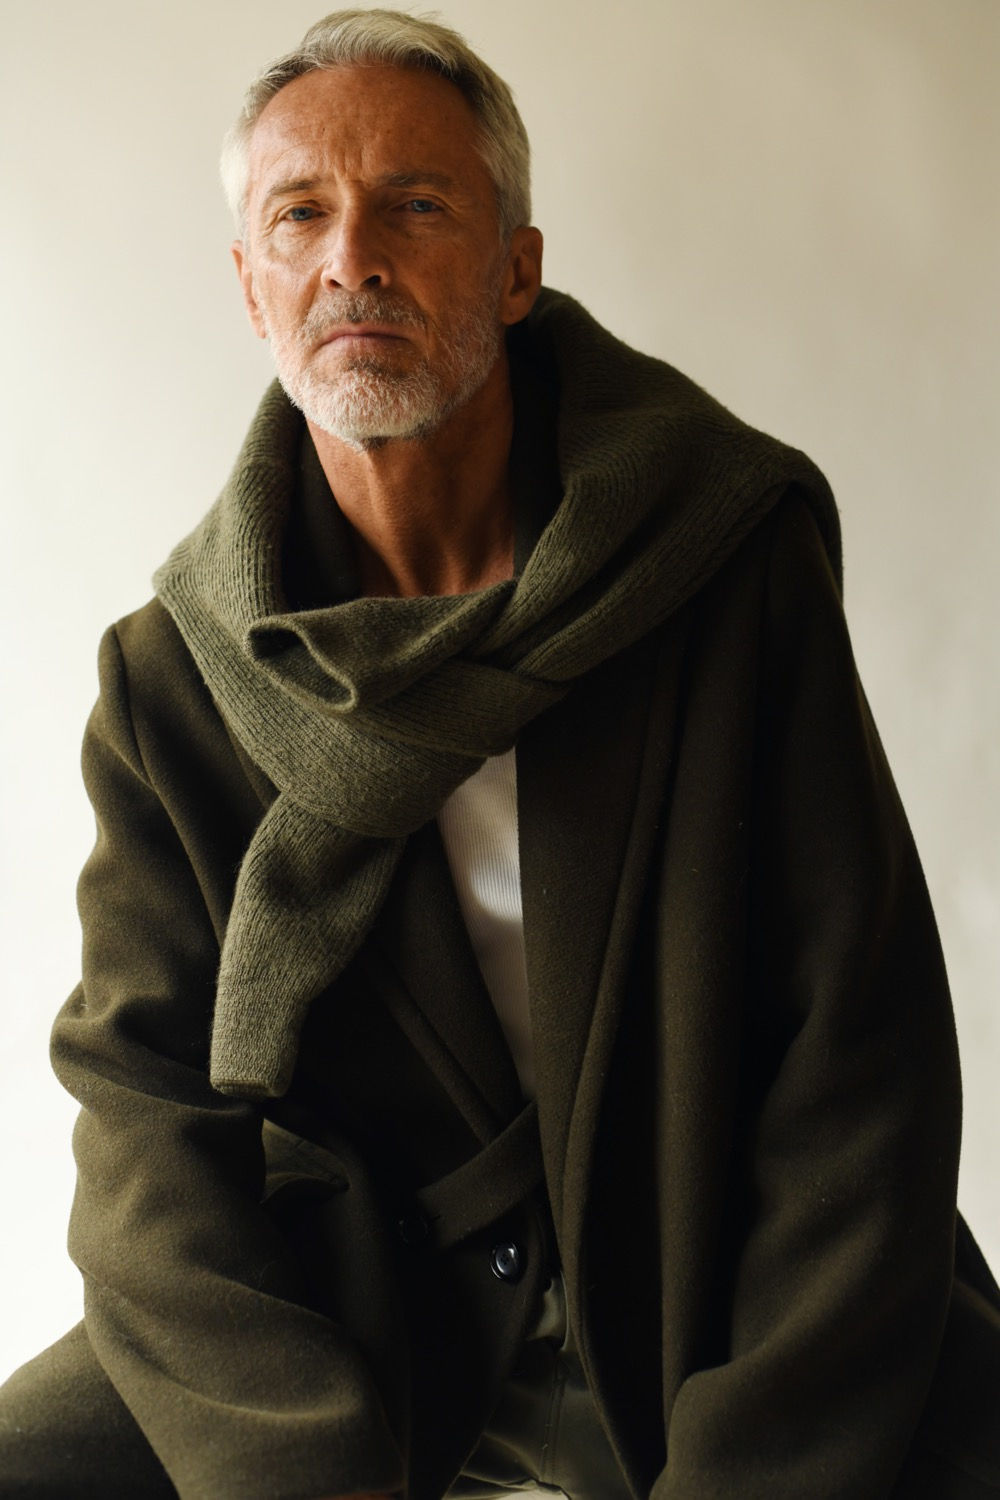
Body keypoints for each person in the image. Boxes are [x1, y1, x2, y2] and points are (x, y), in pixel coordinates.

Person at [1, 9, 997, 1498]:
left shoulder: (721, 561)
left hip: (725, 1280)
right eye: (300, 215)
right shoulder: (175, 680)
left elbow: (862, 1054)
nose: (352, 257)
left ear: (517, 269)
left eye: (414, 204)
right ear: (252, 288)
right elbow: (145, 1115)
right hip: (366, 1309)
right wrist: (298, 1465)